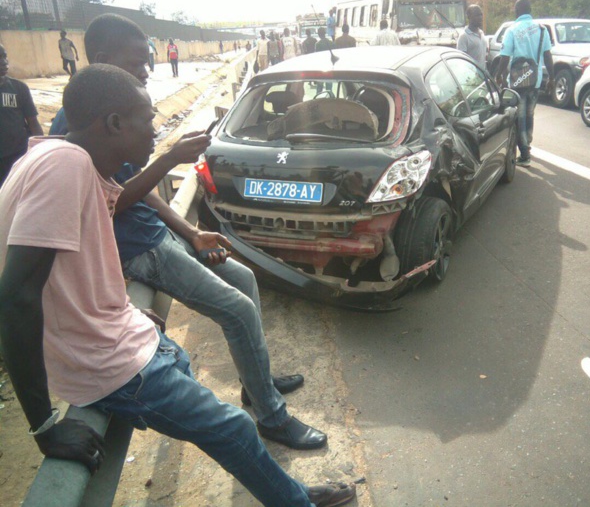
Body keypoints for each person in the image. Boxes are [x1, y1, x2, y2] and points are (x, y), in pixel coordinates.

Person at [0, 63, 356, 507]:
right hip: (106, 365)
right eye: (147, 118)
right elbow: (15, 296)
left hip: (116, 339)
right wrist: (42, 426)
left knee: (195, 377)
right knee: (233, 426)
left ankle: (288, 492)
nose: (154, 129)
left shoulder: (66, 157)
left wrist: (119, 307)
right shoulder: (65, 167)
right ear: (113, 123)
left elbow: (73, 266)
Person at [51, 13, 328, 451]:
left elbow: (134, 189)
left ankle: (254, 382)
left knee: (245, 279)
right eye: (138, 62)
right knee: (235, 309)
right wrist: (169, 160)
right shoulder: (80, 127)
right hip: (140, 250)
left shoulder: (115, 114)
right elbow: (110, 204)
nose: (147, 70)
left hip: (158, 236)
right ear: (104, 60)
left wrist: (191, 231)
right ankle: (272, 416)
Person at [495, 0, 554, 168]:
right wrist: (552, 77)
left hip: (517, 81)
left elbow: (505, 57)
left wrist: (499, 75)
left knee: (519, 117)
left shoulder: (512, 30)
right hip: (535, 80)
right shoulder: (542, 30)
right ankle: (528, 144)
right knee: (529, 114)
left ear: (516, 11)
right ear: (530, 10)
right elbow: (548, 55)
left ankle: (525, 154)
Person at [0, 44, 43, 186]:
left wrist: (41, 149)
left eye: (4, 56)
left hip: (17, 155)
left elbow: (33, 122)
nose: (4, 61)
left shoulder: (19, 88)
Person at [457, 5, 487, 69]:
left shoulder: (482, 33)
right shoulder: (464, 36)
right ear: (469, 17)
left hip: (482, 75)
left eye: (481, 15)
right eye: (477, 15)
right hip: (470, 76)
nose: (480, 18)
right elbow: (461, 60)